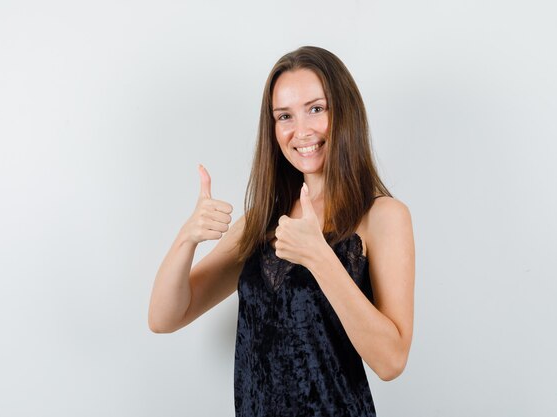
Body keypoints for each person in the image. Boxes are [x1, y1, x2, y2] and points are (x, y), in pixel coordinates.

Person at [148, 46, 415, 416]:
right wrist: (187, 238)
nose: (301, 130)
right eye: (284, 116)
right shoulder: (262, 221)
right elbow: (164, 318)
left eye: (316, 109)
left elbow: (391, 361)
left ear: (345, 111)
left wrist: (320, 257)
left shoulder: (383, 216)